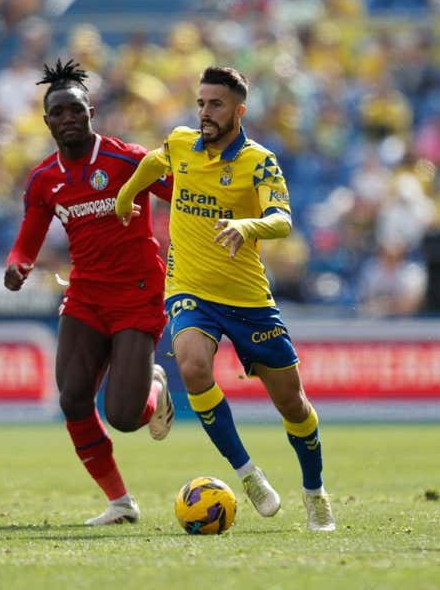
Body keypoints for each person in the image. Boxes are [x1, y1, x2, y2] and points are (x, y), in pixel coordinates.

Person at [115, 66, 335, 532]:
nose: (204, 113)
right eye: (200, 103)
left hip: (248, 297)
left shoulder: (260, 161)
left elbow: (281, 219)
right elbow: (156, 162)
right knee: (193, 366)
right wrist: (126, 194)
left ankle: (315, 491)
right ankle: (247, 474)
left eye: (214, 105)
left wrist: (245, 225)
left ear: (239, 110)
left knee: (293, 404)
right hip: (190, 290)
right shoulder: (181, 144)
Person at [4, 58, 175, 526]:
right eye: (57, 113)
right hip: (85, 295)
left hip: (138, 293)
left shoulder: (128, 160)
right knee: (73, 398)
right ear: (46, 121)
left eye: (75, 110)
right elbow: (27, 239)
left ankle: (153, 387)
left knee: (123, 416)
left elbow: (182, 194)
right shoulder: (44, 180)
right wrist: (17, 266)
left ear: (91, 112)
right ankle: (120, 502)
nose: (67, 119)